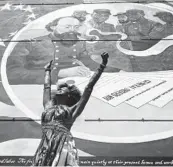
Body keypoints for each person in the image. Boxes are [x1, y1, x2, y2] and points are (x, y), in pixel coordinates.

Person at [32, 52, 109, 166]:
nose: (59, 90)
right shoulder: (48, 106)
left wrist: (102, 66)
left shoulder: (73, 110)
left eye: (63, 90)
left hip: (63, 145)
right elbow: (46, 87)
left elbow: (88, 87)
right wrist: (47, 71)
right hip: (45, 145)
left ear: (69, 96)